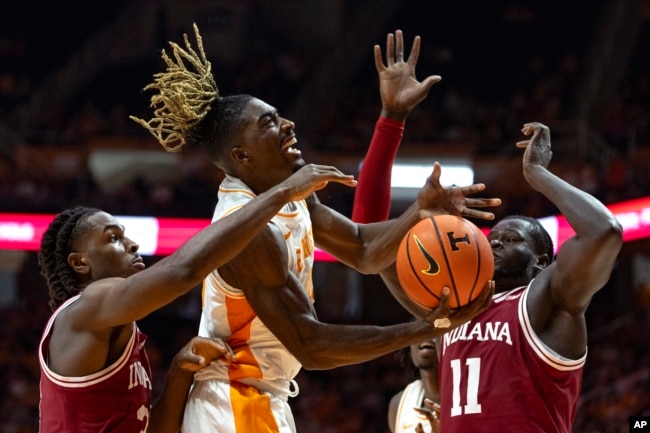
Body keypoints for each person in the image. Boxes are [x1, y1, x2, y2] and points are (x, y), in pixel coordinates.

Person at [130, 25, 500, 432]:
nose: (289, 124)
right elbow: (310, 344)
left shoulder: (290, 192)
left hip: (263, 395)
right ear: (242, 156)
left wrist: (418, 210)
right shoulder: (246, 231)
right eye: (269, 123)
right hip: (233, 401)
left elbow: (361, 250)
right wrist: (423, 329)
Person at [37, 164, 358, 433]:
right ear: (80, 263)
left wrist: (180, 370)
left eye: (125, 233)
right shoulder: (88, 307)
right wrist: (282, 193)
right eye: (114, 238)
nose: (132, 244)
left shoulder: (116, 327)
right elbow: (184, 270)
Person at [370, 123, 623, 432]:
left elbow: (604, 232)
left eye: (512, 239)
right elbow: (374, 252)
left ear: (541, 262)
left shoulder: (546, 300)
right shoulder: (452, 308)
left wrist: (537, 174)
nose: (496, 243)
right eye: (492, 240)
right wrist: (417, 209)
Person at [388, 338, 441, 433]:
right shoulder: (399, 404)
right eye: (419, 325)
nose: (427, 334)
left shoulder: (469, 395)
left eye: (436, 326)